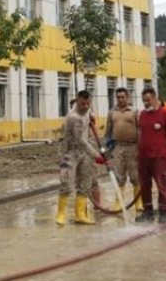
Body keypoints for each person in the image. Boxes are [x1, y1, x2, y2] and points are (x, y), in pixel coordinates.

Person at [56, 90, 105, 226]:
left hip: (84, 154)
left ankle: (80, 215)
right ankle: (60, 214)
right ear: (77, 101)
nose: (85, 106)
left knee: (85, 183)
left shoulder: (87, 113)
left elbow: (88, 119)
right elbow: (81, 141)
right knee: (66, 183)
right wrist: (97, 156)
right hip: (70, 153)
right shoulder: (74, 117)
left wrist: (90, 118)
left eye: (88, 103)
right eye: (82, 103)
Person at [136, 87, 166, 224]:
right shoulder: (142, 114)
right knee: (144, 185)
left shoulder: (165, 114)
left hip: (159, 156)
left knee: (161, 184)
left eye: (148, 100)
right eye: (144, 101)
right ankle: (148, 211)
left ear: (154, 98)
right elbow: (140, 134)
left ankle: (164, 211)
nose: (146, 103)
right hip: (143, 157)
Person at [103, 87, 140, 211]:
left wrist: (141, 147)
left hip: (133, 147)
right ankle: (118, 202)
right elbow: (108, 131)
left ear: (127, 97)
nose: (120, 99)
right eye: (118, 97)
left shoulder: (135, 111)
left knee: (135, 176)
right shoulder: (112, 112)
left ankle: (138, 202)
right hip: (118, 147)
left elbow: (140, 130)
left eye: (122, 97)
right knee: (119, 176)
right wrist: (106, 148)